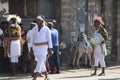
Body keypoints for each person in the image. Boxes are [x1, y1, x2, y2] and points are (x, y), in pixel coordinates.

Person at [30, 15, 53, 80]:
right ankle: (46, 76)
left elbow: (49, 40)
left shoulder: (46, 29)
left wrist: (50, 49)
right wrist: (31, 48)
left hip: (43, 48)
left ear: (42, 21)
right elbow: (32, 39)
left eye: (38, 20)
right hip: (35, 48)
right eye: (37, 20)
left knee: (40, 62)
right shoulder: (34, 29)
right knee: (41, 62)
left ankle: (35, 77)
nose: (37, 21)